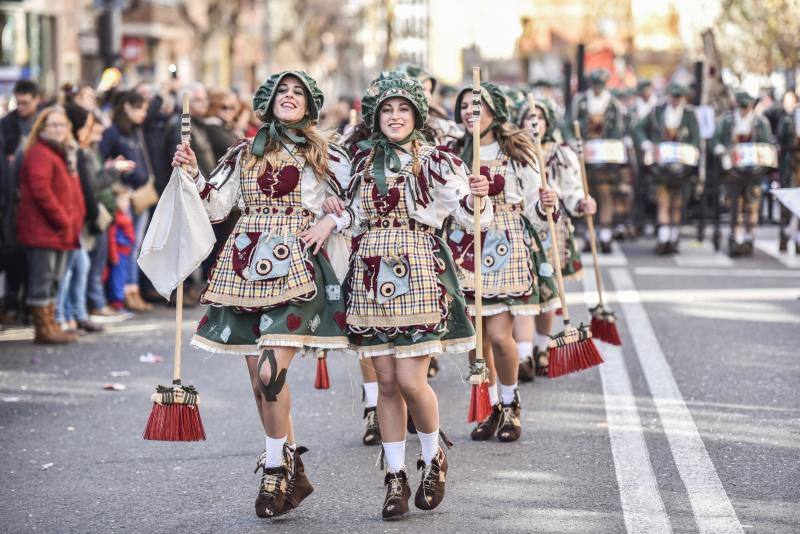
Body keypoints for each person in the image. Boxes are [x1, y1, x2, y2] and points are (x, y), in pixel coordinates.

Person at [173, 71, 351, 519]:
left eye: (298, 93)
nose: (289, 98)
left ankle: (274, 469)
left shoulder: (327, 154)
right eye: (281, 92)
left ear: (310, 105)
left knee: (272, 374)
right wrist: (192, 173)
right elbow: (215, 206)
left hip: (299, 268)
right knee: (259, 384)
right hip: (246, 266)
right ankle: (290, 464)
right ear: (267, 101)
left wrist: (331, 219)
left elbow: (359, 201)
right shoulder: (242, 152)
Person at [325, 75, 489, 520]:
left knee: (414, 381)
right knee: (388, 383)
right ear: (375, 117)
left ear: (416, 114)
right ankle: (395, 477)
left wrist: (477, 197)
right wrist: (331, 214)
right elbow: (349, 212)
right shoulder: (359, 162)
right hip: (370, 273)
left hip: (418, 268)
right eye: (386, 110)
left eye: (403, 109)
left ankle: (432, 458)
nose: (395, 117)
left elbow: (473, 215)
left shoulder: (437, 160)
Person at [448, 81, 558, 443]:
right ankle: (490, 406)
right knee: (475, 340)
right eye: (464, 106)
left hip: (504, 244)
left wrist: (546, 204)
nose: (469, 113)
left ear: (495, 111)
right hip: (463, 245)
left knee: (498, 334)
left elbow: (533, 208)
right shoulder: (451, 154)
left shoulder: (517, 152)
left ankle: (511, 401)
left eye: (476, 106)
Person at [513, 96, 596, 380]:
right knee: (522, 289)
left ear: (548, 122)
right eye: (528, 118)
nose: (534, 124)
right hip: (518, 227)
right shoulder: (512, 150)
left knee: (548, 291)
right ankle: (522, 352)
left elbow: (572, 189)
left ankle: (541, 346)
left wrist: (581, 202)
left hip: (551, 227)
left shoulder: (561, 153)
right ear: (519, 121)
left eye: (539, 119)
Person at [16, 106, 85, 343]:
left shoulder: (64, 152)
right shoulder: (39, 153)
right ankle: (43, 329)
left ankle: (52, 323)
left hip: (61, 230)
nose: (58, 129)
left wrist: (76, 217)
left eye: (61, 124)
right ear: (42, 128)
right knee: (42, 281)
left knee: (54, 280)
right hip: (44, 230)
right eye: (52, 125)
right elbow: (41, 191)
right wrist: (62, 219)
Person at [100, 90, 156, 312]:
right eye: (139, 108)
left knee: (137, 246)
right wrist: (117, 189)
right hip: (124, 196)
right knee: (125, 247)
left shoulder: (136, 131)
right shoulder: (113, 133)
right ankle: (122, 292)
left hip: (141, 194)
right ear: (126, 107)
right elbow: (104, 163)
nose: (143, 113)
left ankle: (133, 289)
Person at [53, 105, 104, 333]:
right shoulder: (68, 151)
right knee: (67, 270)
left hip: (75, 216)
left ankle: (76, 313)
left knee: (79, 266)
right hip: (65, 217)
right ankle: (61, 316)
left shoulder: (75, 150)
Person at [635, 82, 700, 254]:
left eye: (678, 97)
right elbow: (639, 128)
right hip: (661, 166)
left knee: (677, 202)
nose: (675, 100)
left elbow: (695, 138)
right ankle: (663, 239)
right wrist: (646, 143)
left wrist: (692, 150)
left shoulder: (690, 114)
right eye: (673, 96)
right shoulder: (657, 111)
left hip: (682, 167)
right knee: (663, 200)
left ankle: (673, 238)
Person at [569, 69, 626, 252]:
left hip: (605, 157)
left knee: (606, 193)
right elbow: (568, 123)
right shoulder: (580, 101)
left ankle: (606, 236)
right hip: (585, 154)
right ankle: (589, 235)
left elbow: (618, 129)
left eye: (600, 85)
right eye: (595, 85)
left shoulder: (613, 104)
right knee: (588, 193)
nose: (597, 89)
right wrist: (573, 140)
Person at [712, 90, 773, 257]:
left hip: (754, 171)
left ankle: (749, 238)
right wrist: (720, 148)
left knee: (752, 205)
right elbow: (716, 138)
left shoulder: (761, 122)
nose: (744, 110)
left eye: (747, 106)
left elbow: (767, 145)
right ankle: (736, 238)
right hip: (733, 171)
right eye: (742, 106)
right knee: (734, 206)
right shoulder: (727, 121)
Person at [1, 79, 41, 323]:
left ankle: (29, 304)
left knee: (33, 255)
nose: (21, 107)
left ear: (36, 100)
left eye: (26, 102)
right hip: (14, 196)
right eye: (19, 102)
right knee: (14, 251)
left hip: (33, 195)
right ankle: (13, 299)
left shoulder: (43, 121)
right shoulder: (7, 124)